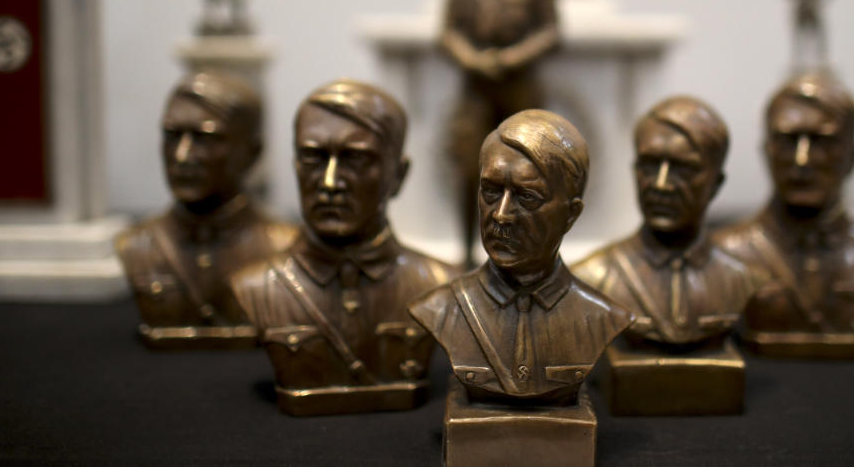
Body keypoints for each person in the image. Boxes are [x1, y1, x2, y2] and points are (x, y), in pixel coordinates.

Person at [231, 80, 459, 414]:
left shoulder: (439, 284)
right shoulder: (254, 286)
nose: (329, 183)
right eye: (313, 158)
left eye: (355, 160)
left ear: (398, 176)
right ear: (295, 166)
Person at [409, 110, 630, 406]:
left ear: (571, 214)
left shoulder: (601, 316)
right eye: (491, 191)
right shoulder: (440, 309)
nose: (501, 215)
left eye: (526, 197)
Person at [712, 73, 854, 356]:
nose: (802, 160)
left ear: (853, 156)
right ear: (767, 152)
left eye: (822, 142)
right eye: (788, 141)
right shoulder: (726, 252)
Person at [115, 71, 297, 348]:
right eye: (173, 136)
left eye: (204, 138)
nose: (182, 156)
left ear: (253, 151)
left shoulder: (286, 246)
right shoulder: (136, 245)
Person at [574, 96, 760, 347]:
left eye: (683, 169)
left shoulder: (743, 281)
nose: (661, 184)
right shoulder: (592, 279)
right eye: (650, 165)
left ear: (716, 184)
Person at [441, 0, 560, 267]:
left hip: (520, 86)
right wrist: (472, 58)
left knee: (532, 174)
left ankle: (534, 251)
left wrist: (513, 57)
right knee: (469, 172)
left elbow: (551, 32)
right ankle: (466, 251)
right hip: (477, 88)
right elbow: (449, 32)